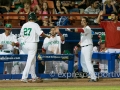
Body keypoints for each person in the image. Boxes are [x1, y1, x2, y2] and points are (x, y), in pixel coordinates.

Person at [20, 12, 50, 83]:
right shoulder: (35, 24)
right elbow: (41, 34)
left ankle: (34, 77)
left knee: (33, 60)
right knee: (30, 61)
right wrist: (47, 36)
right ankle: (24, 77)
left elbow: (22, 35)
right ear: (34, 18)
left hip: (26, 44)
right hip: (32, 44)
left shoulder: (24, 25)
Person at [66, 17, 97, 82]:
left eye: (83, 21)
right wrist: (77, 46)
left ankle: (93, 77)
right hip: (83, 47)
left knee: (88, 62)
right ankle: (92, 74)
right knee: (83, 62)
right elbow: (82, 40)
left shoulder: (88, 28)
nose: (82, 22)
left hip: (88, 46)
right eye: (81, 20)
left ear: (87, 22)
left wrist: (71, 30)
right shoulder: (84, 29)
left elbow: (78, 30)